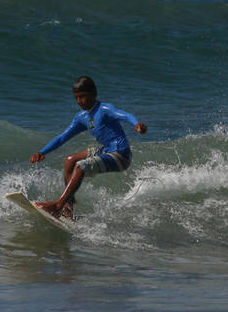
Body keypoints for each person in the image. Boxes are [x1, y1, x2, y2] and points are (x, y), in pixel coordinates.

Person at [29, 76, 147, 219]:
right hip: (106, 149)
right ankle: (68, 207)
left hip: (120, 155)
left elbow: (125, 115)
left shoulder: (104, 109)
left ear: (94, 93)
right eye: (76, 98)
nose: (79, 101)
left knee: (80, 166)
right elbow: (62, 137)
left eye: (83, 96)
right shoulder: (81, 117)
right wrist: (42, 152)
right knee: (70, 160)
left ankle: (58, 205)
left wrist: (137, 124)